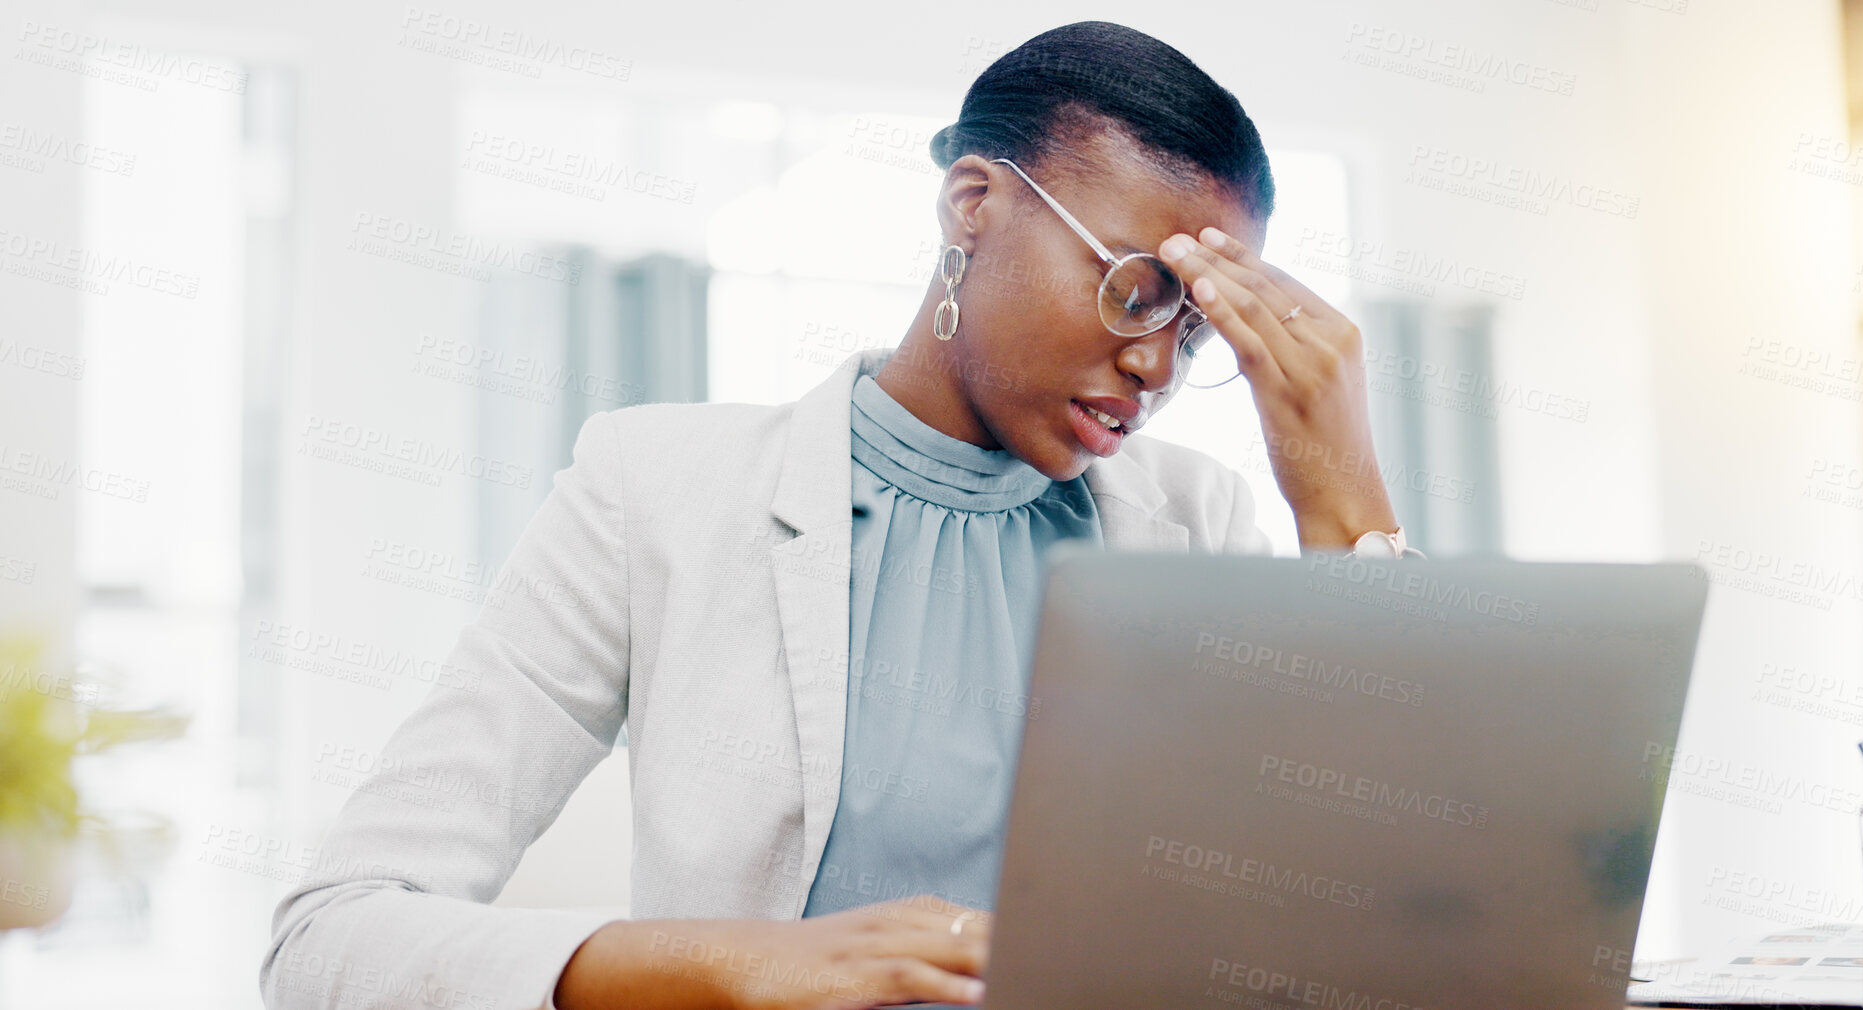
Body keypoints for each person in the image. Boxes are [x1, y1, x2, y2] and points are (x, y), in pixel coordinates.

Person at [260, 20, 1421, 1010]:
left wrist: (1343, 502)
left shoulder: (1195, 526)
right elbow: (333, 937)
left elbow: (1380, 929)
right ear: (972, 203)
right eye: (1135, 289)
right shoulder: (653, 491)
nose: (1157, 361)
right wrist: (738, 963)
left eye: (1196, 327)